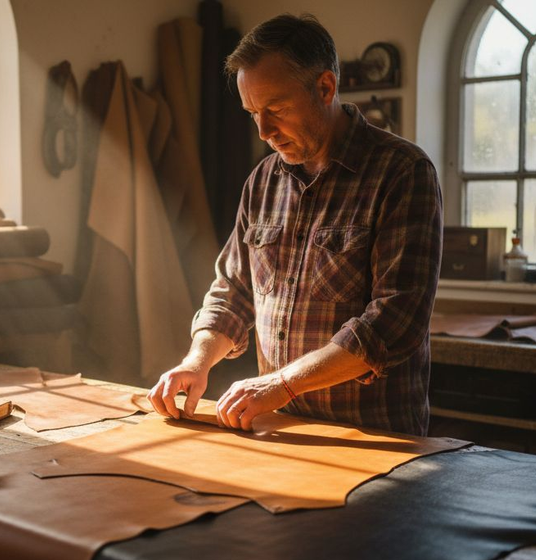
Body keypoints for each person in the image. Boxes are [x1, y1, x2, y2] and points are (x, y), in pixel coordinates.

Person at [148, 13, 443, 436]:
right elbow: (233, 291)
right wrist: (196, 361)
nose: (264, 130)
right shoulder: (263, 181)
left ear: (325, 87)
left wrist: (281, 383)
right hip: (281, 429)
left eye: (277, 109)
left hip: (373, 437)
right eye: (252, 113)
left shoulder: (403, 172)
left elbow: (392, 322)